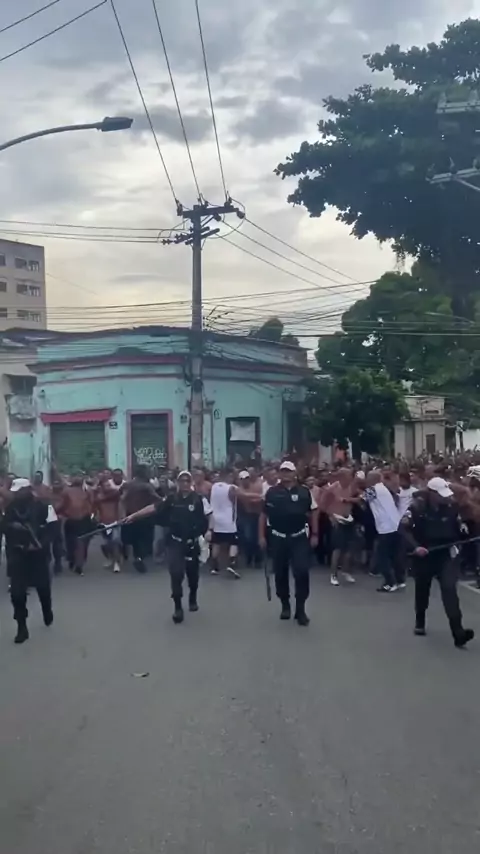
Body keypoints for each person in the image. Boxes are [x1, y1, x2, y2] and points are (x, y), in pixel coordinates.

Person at [401, 477, 474, 647]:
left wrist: (464, 533)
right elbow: (403, 529)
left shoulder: (452, 507)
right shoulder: (417, 507)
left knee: (449, 589)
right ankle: (420, 620)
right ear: (431, 493)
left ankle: (458, 632)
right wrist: (416, 547)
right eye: (440, 494)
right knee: (422, 588)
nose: (445, 497)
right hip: (424, 553)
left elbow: (460, 529)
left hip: (445, 554)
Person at [259, 460, 318, 626]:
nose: (286, 474)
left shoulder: (304, 492)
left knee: (302, 571)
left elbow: (314, 511)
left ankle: (300, 608)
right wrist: (261, 536)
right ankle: (285, 604)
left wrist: (315, 533)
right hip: (278, 537)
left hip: (299, 537)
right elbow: (263, 515)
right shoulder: (271, 492)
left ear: (295, 473)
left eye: (289, 471)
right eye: (283, 471)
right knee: (280, 572)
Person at [5, 478, 52, 644]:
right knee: (17, 594)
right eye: (15, 492)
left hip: (38, 555)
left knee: (43, 588)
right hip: (17, 555)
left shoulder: (45, 507)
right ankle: (21, 627)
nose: (17, 494)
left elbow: (53, 528)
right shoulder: (10, 509)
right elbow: (4, 528)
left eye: (20, 491)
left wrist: (41, 545)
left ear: (28, 490)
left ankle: (47, 609)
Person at [364, 471, 405, 593]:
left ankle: (390, 583)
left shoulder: (373, 489)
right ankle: (400, 580)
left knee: (382, 557)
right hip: (395, 525)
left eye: (367, 478)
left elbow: (362, 500)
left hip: (386, 527)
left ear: (373, 479)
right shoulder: (383, 489)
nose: (366, 481)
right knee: (394, 555)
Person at [323, 468, 358, 586]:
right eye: (349, 475)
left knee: (350, 548)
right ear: (342, 477)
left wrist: (349, 500)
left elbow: (359, 497)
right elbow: (322, 505)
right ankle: (333, 574)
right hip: (337, 520)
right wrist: (331, 516)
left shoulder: (352, 487)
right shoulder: (332, 489)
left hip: (349, 519)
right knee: (337, 549)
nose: (351, 477)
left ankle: (346, 571)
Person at [121, 466, 158, 573]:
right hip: (144, 516)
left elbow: (122, 498)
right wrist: (164, 499)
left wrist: (123, 513)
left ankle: (136, 555)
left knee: (134, 539)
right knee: (145, 539)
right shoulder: (147, 486)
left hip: (130, 514)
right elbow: (155, 497)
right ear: (144, 473)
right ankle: (139, 557)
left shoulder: (128, 485)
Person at [209, 467, 240, 578]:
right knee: (233, 542)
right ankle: (232, 563)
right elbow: (236, 497)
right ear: (229, 476)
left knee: (216, 542)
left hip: (215, 519)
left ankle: (214, 567)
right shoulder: (231, 488)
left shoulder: (214, 486)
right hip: (228, 520)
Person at [61, 473, 94, 575]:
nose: (78, 479)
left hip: (84, 519)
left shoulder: (87, 491)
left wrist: (91, 515)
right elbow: (62, 505)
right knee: (71, 542)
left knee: (82, 542)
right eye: (76, 477)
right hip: (71, 519)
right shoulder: (67, 491)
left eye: (80, 477)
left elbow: (92, 504)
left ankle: (79, 563)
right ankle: (73, 560)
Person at [94, 470, 124, 573]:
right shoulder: (98, 495)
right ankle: (111, 558)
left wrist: (121, 518)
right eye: (105, 485)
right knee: (107, 544)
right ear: (101, 486)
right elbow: (95, 507)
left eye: (109, 485)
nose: (108, 487)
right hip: (103, 522)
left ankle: (116, 563)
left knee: (115, 541)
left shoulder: (115, 493)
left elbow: (120, 505)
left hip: (115, 521)